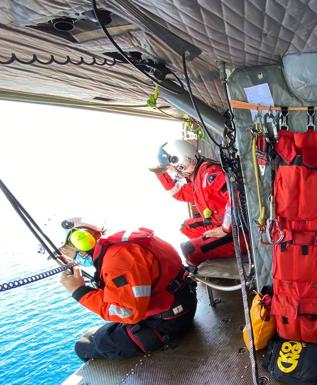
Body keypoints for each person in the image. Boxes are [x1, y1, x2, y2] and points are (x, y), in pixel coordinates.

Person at [58, 218, 197, 361]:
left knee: (83, 346)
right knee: (96, 335)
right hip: (182, 304)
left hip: (168, 323)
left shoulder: (117, 259)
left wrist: (79, 291)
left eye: (65, 249)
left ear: (80, 240)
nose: (68, 256)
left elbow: (127, 313)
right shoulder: (122, 244)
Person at [150, 140, 237, 266]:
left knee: (190, 251)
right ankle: (214, 245)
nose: (175, 172)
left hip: (237, 230)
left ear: (181, 161)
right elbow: (177, 193)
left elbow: (235, 195)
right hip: (221, 222)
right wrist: (160, 173)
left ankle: (229, 251)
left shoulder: (208, 174)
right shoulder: (197, 179)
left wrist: (224, 228)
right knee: (186, 227)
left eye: (173, 169)